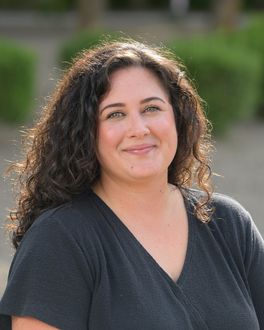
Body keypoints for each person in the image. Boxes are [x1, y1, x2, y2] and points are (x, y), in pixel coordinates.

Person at [0, 39, 263, 330]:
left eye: (152, 108)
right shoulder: (59, 240)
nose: (139, 129)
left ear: (178, 117)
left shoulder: (229, 223)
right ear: (85, 132)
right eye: (115, 114)